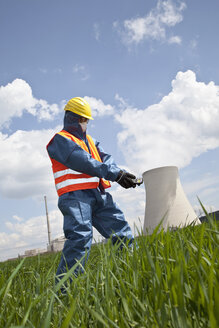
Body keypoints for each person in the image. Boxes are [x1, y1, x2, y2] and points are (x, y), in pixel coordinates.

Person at [46, 97, 139, 282]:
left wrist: (120, 172)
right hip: (75, 197)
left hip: (98, 194)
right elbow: (83, 161)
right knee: (80, 238)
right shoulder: (60, 141)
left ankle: (132, 272)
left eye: (86, 120)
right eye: (81, 119)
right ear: (71, 118)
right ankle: (66, 290)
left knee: (121, 230)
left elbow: (105, 158)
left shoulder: (91, 140)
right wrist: (114, 174)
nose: (85, 123)